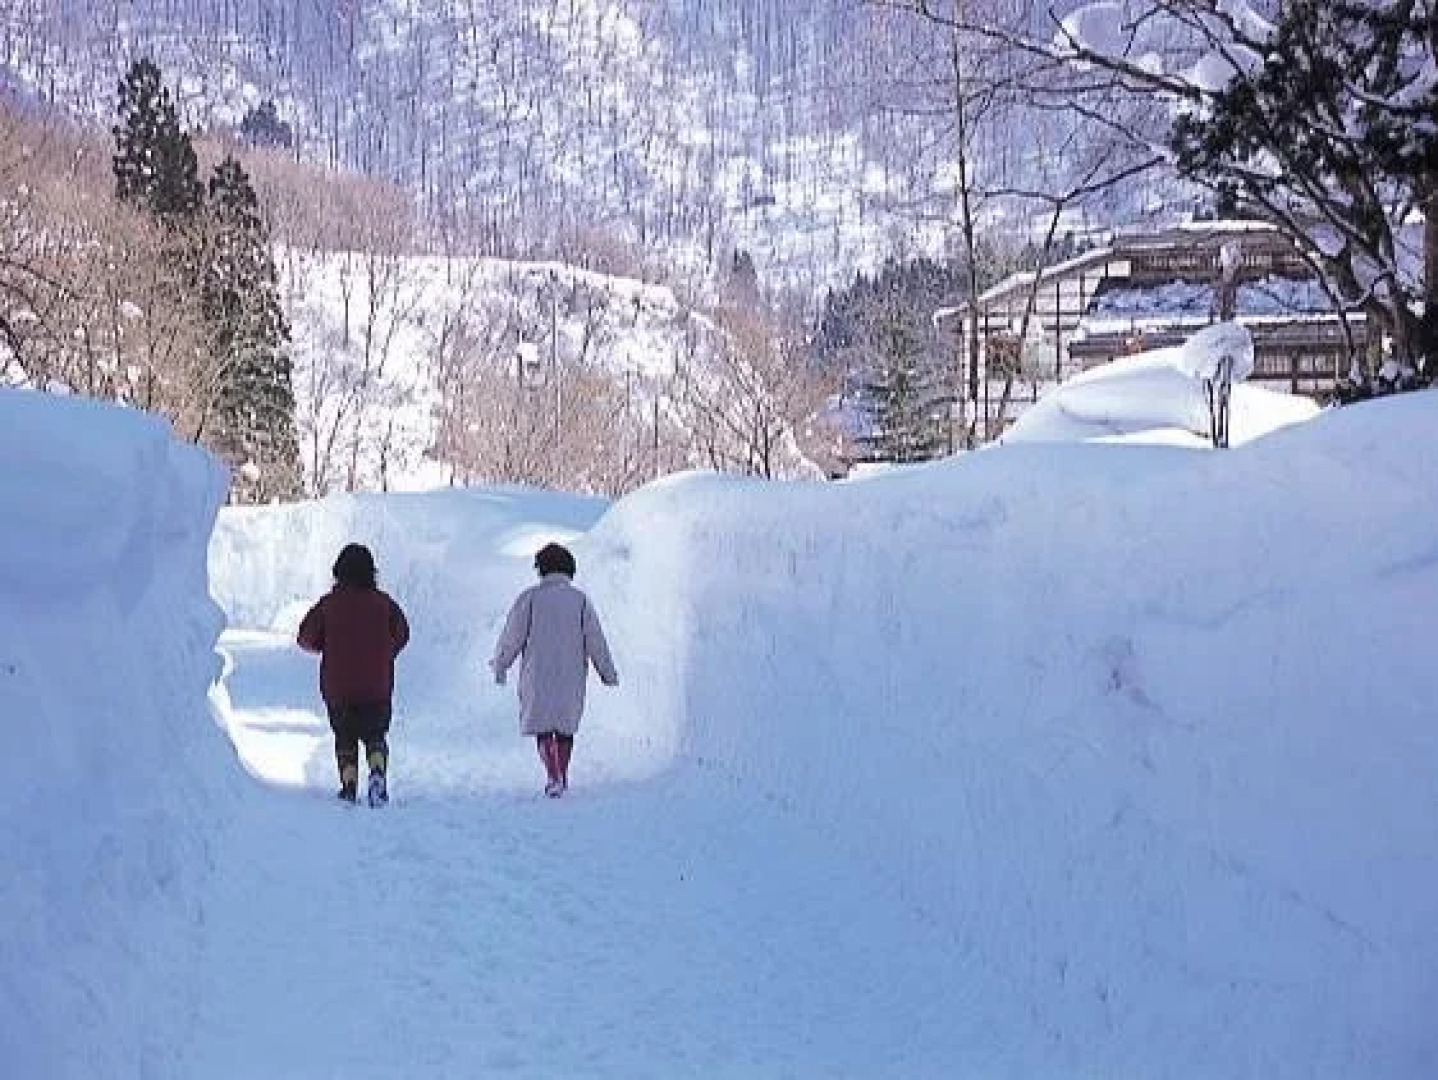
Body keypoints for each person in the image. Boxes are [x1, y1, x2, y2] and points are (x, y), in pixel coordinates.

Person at [491, 542, 618, 797]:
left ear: (542, 569)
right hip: (571, 674)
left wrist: (501, 664)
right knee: (564, 727)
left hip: (537, 674)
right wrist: (607, 672)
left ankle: (553, 775)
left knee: (543, 725)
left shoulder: (530, 598)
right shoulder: (580, 601)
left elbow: (512, 636)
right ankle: (562, 774)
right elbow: (596, 640)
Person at [297, 543, 410, 805]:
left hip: (339, 688)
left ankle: (349, 784)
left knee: (345, 737)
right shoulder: (384, 604)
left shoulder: (328, 605)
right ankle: (377, 770)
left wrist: (325, 645)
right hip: (376, 687)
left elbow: (305, 637)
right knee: (375, 735)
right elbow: (403, 633)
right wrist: (385, 652)